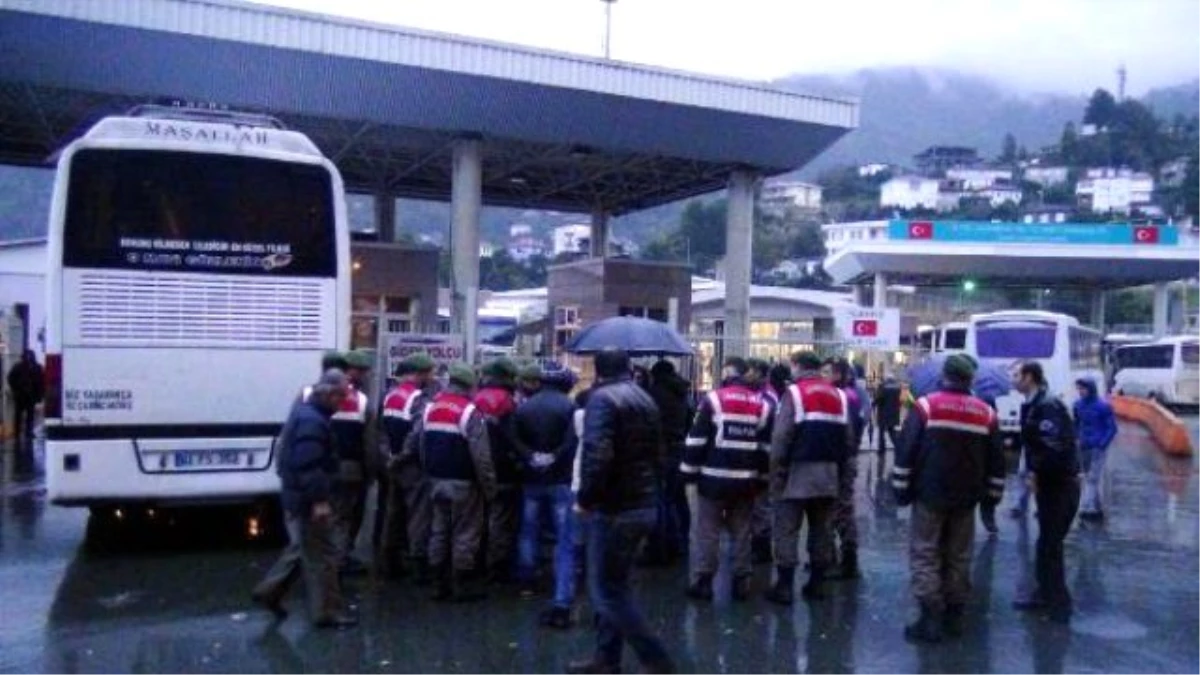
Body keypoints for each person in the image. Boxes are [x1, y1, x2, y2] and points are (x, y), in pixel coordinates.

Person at [567, 348, 674, 675]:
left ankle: (656, 660)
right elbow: (658, 454)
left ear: (597, 371)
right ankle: (606, 658)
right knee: (618, 584)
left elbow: (597, 456)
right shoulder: (644, 399)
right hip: (641, 503)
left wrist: (585, 499)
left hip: (614, 508)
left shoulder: (602, 400)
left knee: (608, 591)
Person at [892, 354, 1005, 643]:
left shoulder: (926, 407)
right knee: (959, 554)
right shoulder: (986, 413)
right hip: (966, 499)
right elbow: (996, 462)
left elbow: (907, 451)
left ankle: (930, 617)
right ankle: (954, 614)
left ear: (945, 376)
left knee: (925, 552)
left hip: (930, 495)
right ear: (971, 379)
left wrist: (901, 490)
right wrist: (991, 500)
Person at [253, 369, 357, 629]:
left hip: (298, 497)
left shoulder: (306, 414)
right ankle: (327, 611)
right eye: (342, 396)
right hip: (308, 500)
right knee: (324, 555)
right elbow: (309, 465)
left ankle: (270, 591)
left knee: (304, 549)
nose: (343, 401)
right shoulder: (313, 421)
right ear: (331, 394)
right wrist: (319, 501)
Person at [680, 357, 771, 602]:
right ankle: (741, 581)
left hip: (712, 479)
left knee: (708, 530)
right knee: (741, 530)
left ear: (727, 373)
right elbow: (765, 447)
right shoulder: (760, 404)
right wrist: (763, 478)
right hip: (745, 481)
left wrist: (688, 472)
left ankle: (704, 582)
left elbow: (696, 439)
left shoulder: (713, 399)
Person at [767, 352, 855, 605]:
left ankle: (784, 586)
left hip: (796, 473)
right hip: (829, 475)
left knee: (786, 529)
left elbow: (781, 438)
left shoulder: (794, 393)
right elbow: (848, 441)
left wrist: (776, 476)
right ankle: (817, 583)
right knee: (822, 530)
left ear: (797, 367)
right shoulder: (839, 395)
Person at [407, 363, 497, 602]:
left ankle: (438, 584)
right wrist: (489, 487)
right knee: (465, 533)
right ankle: (461, 585)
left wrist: (428, 474)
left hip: (435, 481)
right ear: (469, 386)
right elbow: (481, 455)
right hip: (464, 484)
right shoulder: (469, 412)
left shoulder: (430, 408)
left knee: (439, 531)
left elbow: (420, 445)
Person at [1013, 362, 1081, 624]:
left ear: (1030, 377)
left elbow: (1053, 448)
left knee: (1051, 545)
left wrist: (1035, 473)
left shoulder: (1047, 406)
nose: (1013, 380)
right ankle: (1044, 593)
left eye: (1017, 375)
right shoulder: (1035, 404)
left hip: (1059, 485)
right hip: (1051, 485)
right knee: (1045, 544)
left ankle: (1059, 605)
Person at [515, 362, 579, 629]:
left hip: (531, 478)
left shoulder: (525, 406)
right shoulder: (570, 408)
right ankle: (562, 592)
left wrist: (532, 457)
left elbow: (515, 438)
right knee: (565, 538)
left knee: (528, 530)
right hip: (561, 479)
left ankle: (526, 580)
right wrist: (554, 458)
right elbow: (572, 441)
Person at [378, 352, 437, 582]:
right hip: (412, 466)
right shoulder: (418, 399)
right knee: (418, 517)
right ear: (418, 374)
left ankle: (388, 562)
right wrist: (403, 455)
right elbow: (417, 433)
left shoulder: (390, 396)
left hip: (392, 464)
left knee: (393, 514)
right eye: (429, 373)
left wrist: (389, 457)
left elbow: (381, 430)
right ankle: (418, 566)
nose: (432, 377)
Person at [474, 358, 524, 584]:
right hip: (502, 469)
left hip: (476, 467)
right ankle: (496, 566)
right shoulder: (507, 402)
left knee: (479, 517)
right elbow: (511, 438)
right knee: (501, 519)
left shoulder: (476, 398)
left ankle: (475, 560)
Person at [641, 359, 692, 567]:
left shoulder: (653, 394)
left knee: (661, 500)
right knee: (678, 498)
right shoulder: (683, 393)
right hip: (680, 448)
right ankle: (681, 542)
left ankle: (660, 547)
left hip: (660, 451)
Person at [329, 349, 375, 576]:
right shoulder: (361, 400)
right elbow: (369, 443)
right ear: (352, 371)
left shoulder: (314, 393)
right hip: (350, 469)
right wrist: (372, 472)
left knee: (327, 516)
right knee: (346, 516)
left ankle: (326, 559)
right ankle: (338, 562)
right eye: (363, 371)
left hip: (321, 467)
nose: (366, 375)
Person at [828, 358, 864, 580]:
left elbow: (849, 432)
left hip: (842, 459)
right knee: (836, 508)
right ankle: (832, 557)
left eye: (827, 372)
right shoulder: (847, 394)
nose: (823, 376)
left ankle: (848, 561)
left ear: (840, 375)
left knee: (841, 509)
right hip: (842, 458)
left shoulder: (846, 397)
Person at [1074, 377, 1117, 521]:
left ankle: (1086, 508)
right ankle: (1097, 507)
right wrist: (1076, 439)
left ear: (1090, 389)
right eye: (1079, 389)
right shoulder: (1077, 405)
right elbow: (1076, 424)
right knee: (1089, 477)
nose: (1080, 391)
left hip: (1097, 447)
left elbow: (1112, 428)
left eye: (1083, 389)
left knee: (1092, 478)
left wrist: (1102, 444)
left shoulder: (1103, 406)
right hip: (1083, 446)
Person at [6, 350, 44, 445]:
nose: (28, 358)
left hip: (30, 395)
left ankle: (28, 432)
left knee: (29, 415)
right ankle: (18, 433)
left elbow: (40, 382)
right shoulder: (19, 367)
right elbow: (10, 378)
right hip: (21, 395)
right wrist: (16, 389)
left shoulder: (36, 367)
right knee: (19, 415)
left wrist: (39, 395)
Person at [874, 373, 903, 454]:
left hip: (883, 413)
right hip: (893, 414)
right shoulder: (898, 387)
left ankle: (881, 449)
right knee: (892, 432)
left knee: (881, 432)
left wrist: (874, 402)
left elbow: (879, 398)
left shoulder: (882, 386)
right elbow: (900, 400)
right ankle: (898, 447)